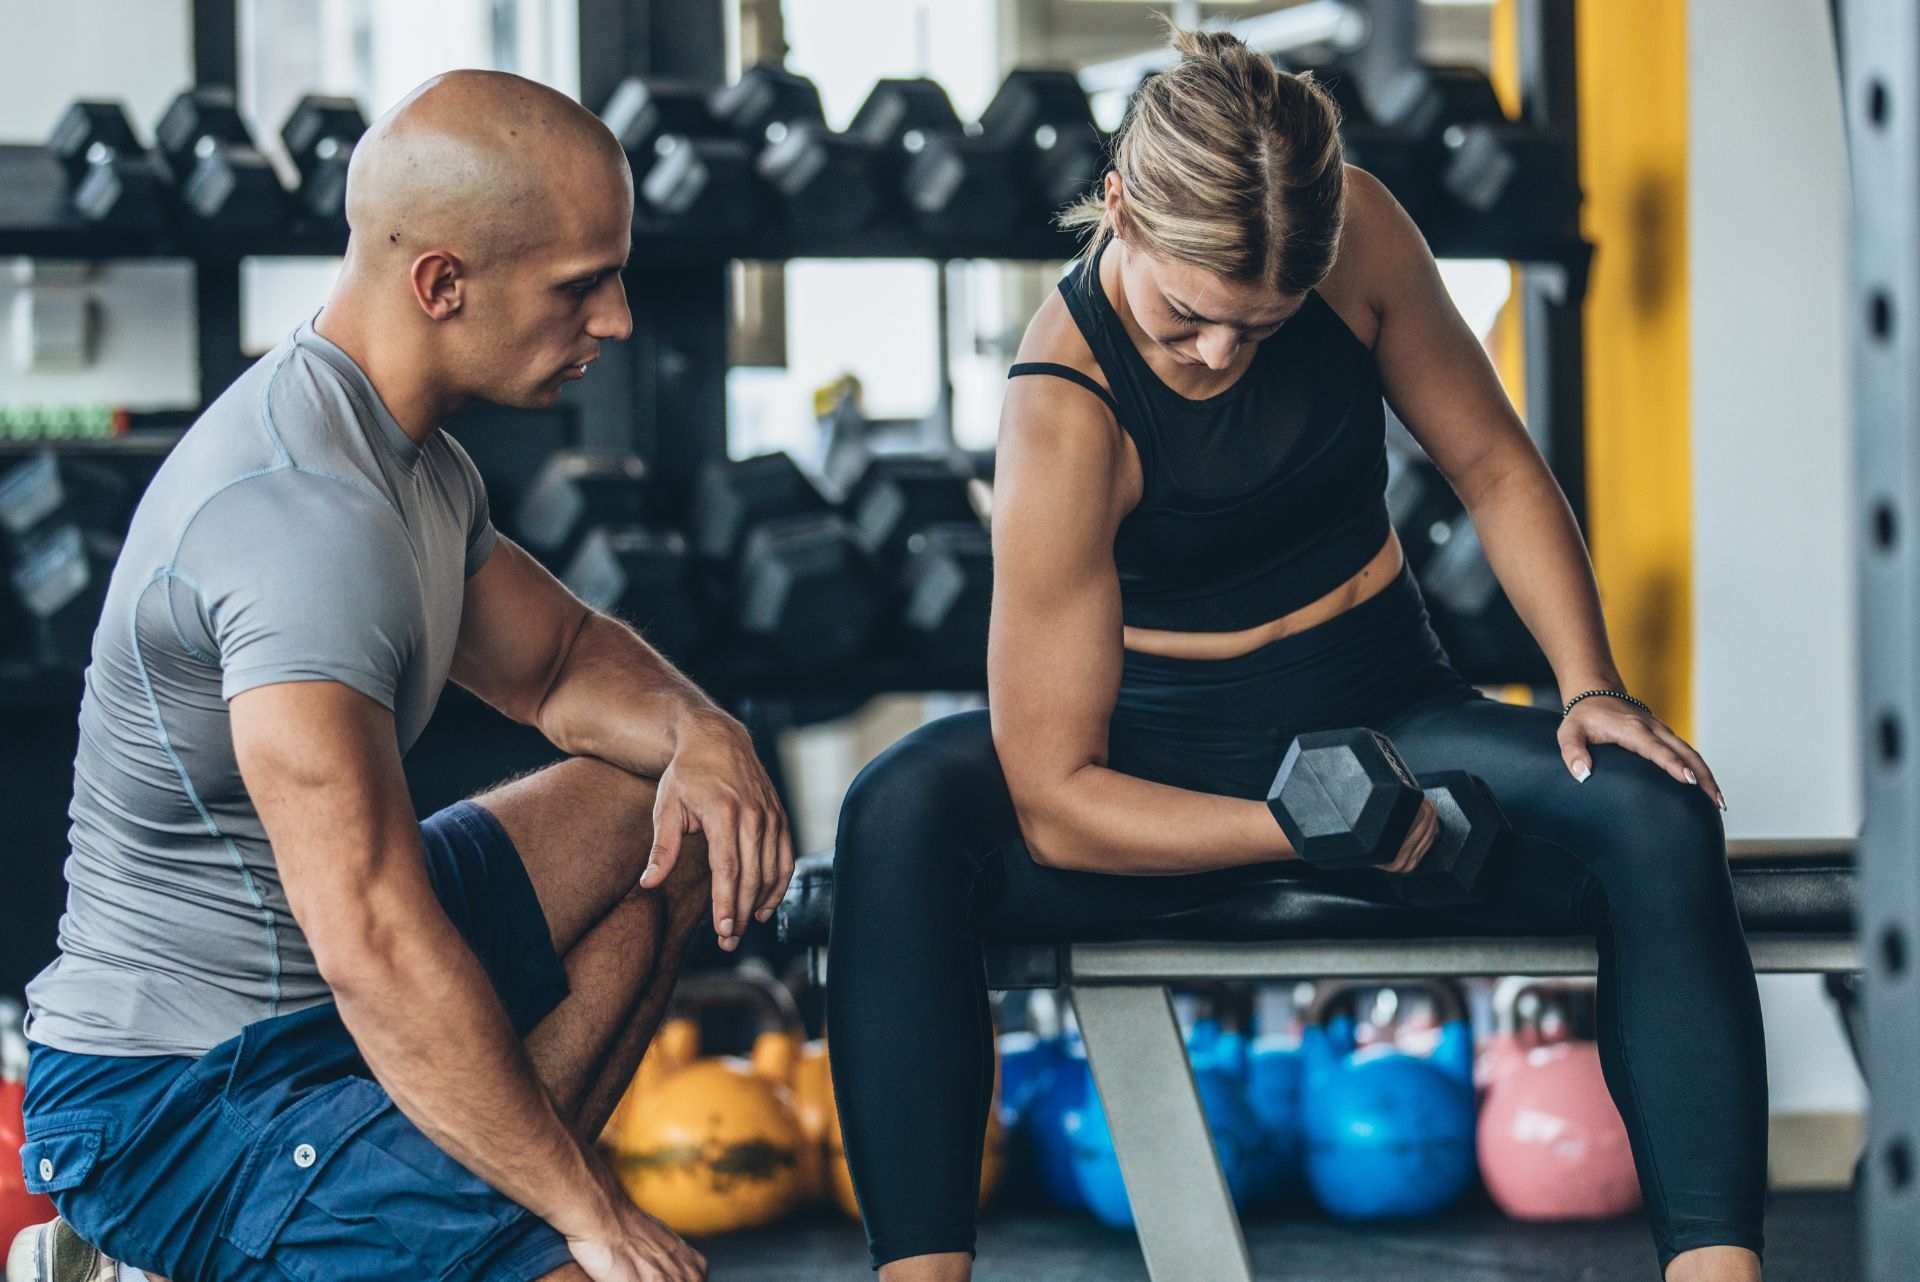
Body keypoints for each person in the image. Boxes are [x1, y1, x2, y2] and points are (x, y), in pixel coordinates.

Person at [826, 27, 1763, 1282]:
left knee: (1654, 808)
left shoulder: (1355, 233)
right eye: (1191, 315)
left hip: (1385, 707)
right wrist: (1302, 826)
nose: (1219, 353)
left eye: (1260, 328)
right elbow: (1055, 798)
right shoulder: (1060, 405)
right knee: (896, 813)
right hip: (1150, 772)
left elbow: (1491, 464)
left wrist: (1588, 687)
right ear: (1120, 207)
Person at [8, 71, 791, 1282]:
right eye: (582, 284)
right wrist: (585, 1210)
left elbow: (566, 661)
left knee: (671, 818)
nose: (622, 318)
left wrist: (703, 731)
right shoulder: (300, 520)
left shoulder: (411, 461)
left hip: (328, 976)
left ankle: (447, 1223)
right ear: (442, 282)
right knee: (591, 1263)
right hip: (179, 1092)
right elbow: (370, 939)